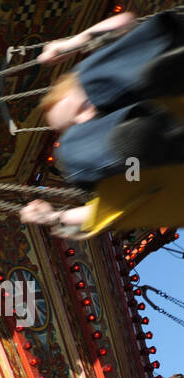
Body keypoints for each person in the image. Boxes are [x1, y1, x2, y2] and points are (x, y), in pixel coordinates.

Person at [20, 11, 184, 235]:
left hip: (157, 109)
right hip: (155, 134)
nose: (85, 118)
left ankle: (163, 50)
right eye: (77, 123)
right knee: (71, 149)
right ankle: (161, 47)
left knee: (85, 87)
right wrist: (53, 217)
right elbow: (107, 208)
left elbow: (124, 22)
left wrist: (72, 43)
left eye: (84, 107)